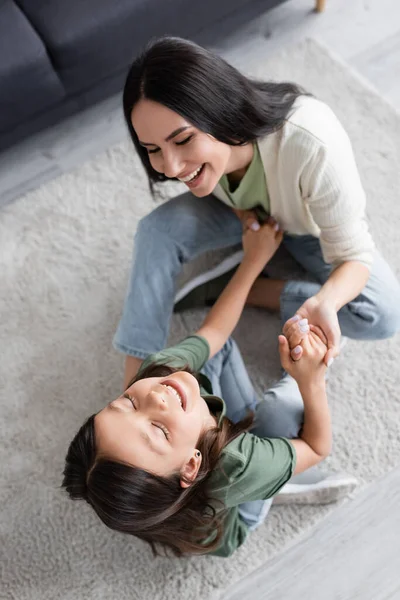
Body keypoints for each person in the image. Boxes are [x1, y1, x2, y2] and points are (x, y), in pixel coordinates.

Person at [114, 35, 400, 388]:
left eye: (183, 140)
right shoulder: (200, 161)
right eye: (152, 148)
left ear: (218, 110)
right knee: (156, 232)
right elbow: (204, 181)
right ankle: (134, 385)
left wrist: (323, 302)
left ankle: (239, 288)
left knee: (384, 314)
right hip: (251, 215)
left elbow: (355, 256)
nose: (171, 167)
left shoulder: (313, 143)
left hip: (307, 230)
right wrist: (243, 215)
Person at [63, 221, 334, 558]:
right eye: (158, 430)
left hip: (196, 455)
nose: (155, 397)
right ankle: (277, 486)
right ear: (191, 465)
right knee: (280, 409)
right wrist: (312, 379)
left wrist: (254, 260)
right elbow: (317, 446)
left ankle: (200, 432)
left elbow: (214, 333)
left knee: (218, 354)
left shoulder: (157, 374)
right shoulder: (237, 467)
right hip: (233, 515)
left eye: (127, 402)